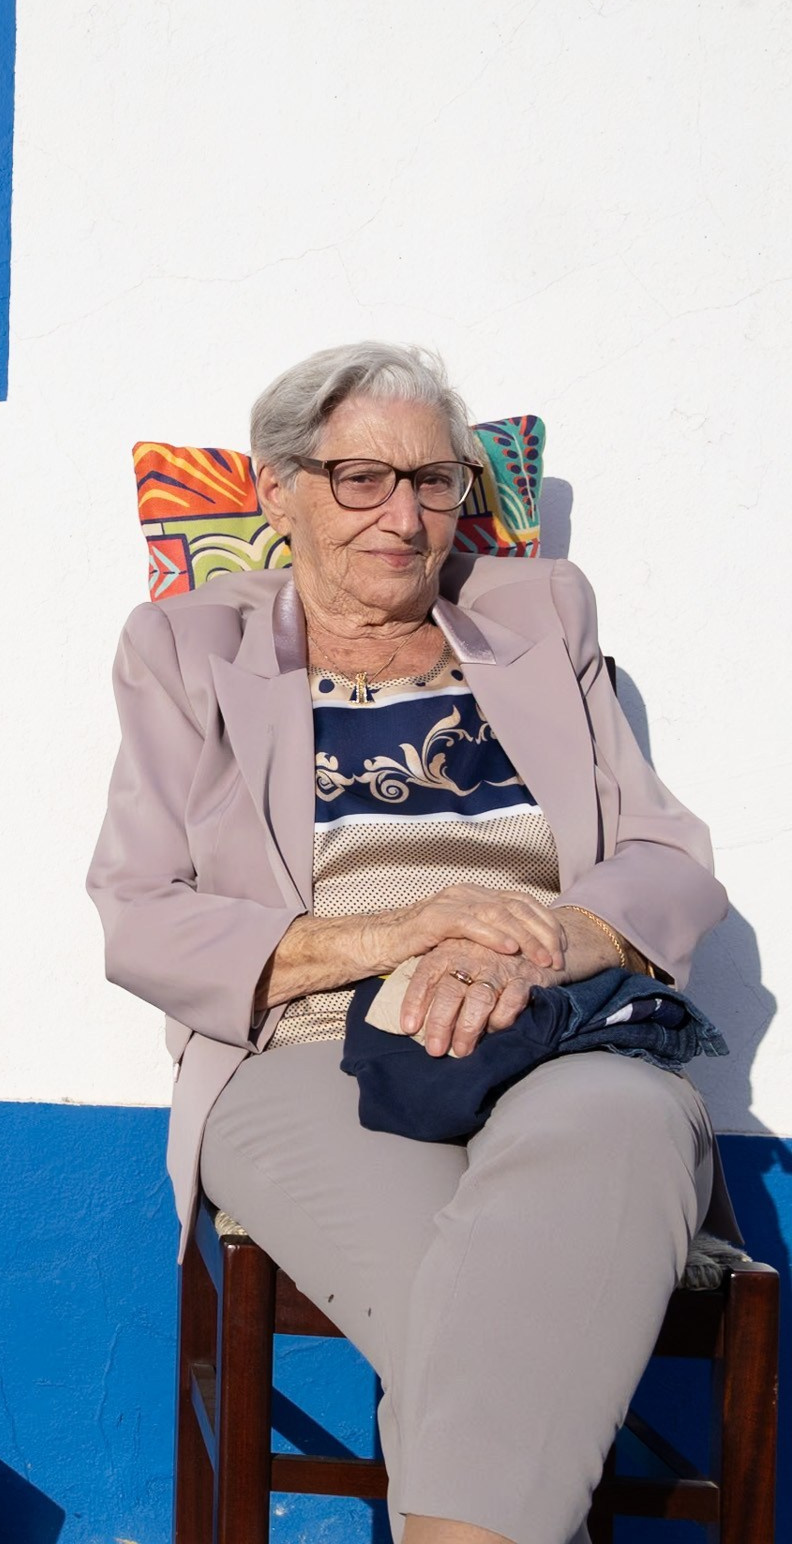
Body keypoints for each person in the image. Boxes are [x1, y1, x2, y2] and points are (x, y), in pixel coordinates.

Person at [87, 343, 737, 1544]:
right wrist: (405, 929)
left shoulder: (539, 619)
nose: (405, 514)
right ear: (278, 492)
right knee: (504, 1328)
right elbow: (142, 912)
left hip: (550, 1038)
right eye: (360, 479)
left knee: (627, 1129)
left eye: (434, 481)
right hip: (314, 1056)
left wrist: (542, 941)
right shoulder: (186, 649)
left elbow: (668, 860)